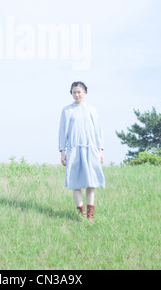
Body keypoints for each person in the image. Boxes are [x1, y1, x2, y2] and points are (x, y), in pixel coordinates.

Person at [58, 81, 105, 222]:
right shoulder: (67, 111)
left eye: (79, 92)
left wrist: (100, 150)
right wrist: (62, 151)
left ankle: (91, 215)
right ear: (71, 93)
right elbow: (62, 132)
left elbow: (98, 131)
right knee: (75, 182)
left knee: (91, 182)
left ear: (84, 93)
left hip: (90, 148)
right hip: (73, 149)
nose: (76, 94)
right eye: (74, 92)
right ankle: (81, 214)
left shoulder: (91, 109)